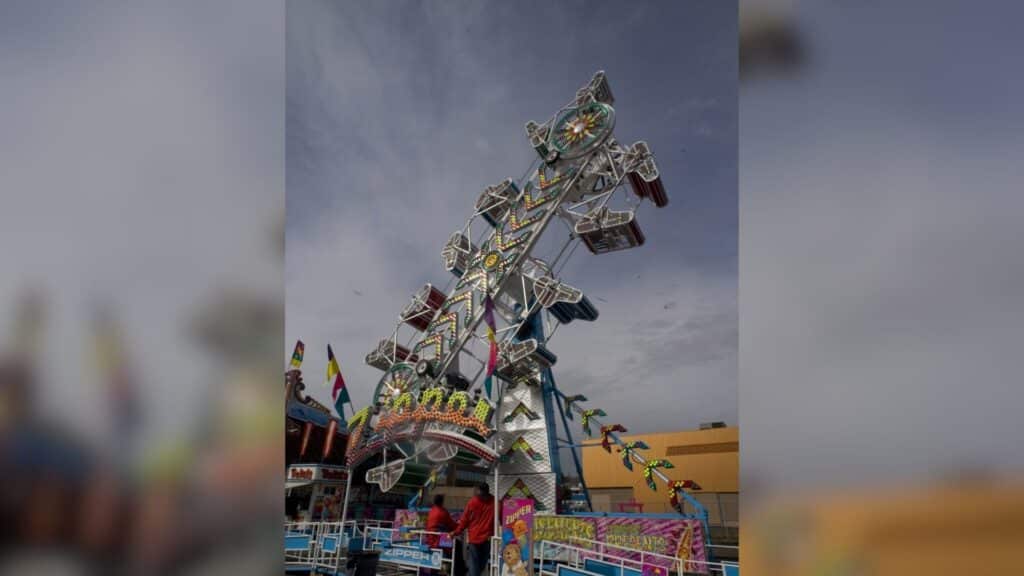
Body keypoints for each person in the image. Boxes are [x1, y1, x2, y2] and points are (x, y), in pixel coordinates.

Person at [450, 483, 496, 576]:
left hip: (480, 539)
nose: (478, 495)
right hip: (480, 539)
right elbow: (464, 520)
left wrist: (456, 532)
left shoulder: (478, 501)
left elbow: (464, 520)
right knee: (477, 566)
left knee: (477, 566)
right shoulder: (492, 502)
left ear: (483, 492)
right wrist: (456, 532)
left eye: (479, 492)